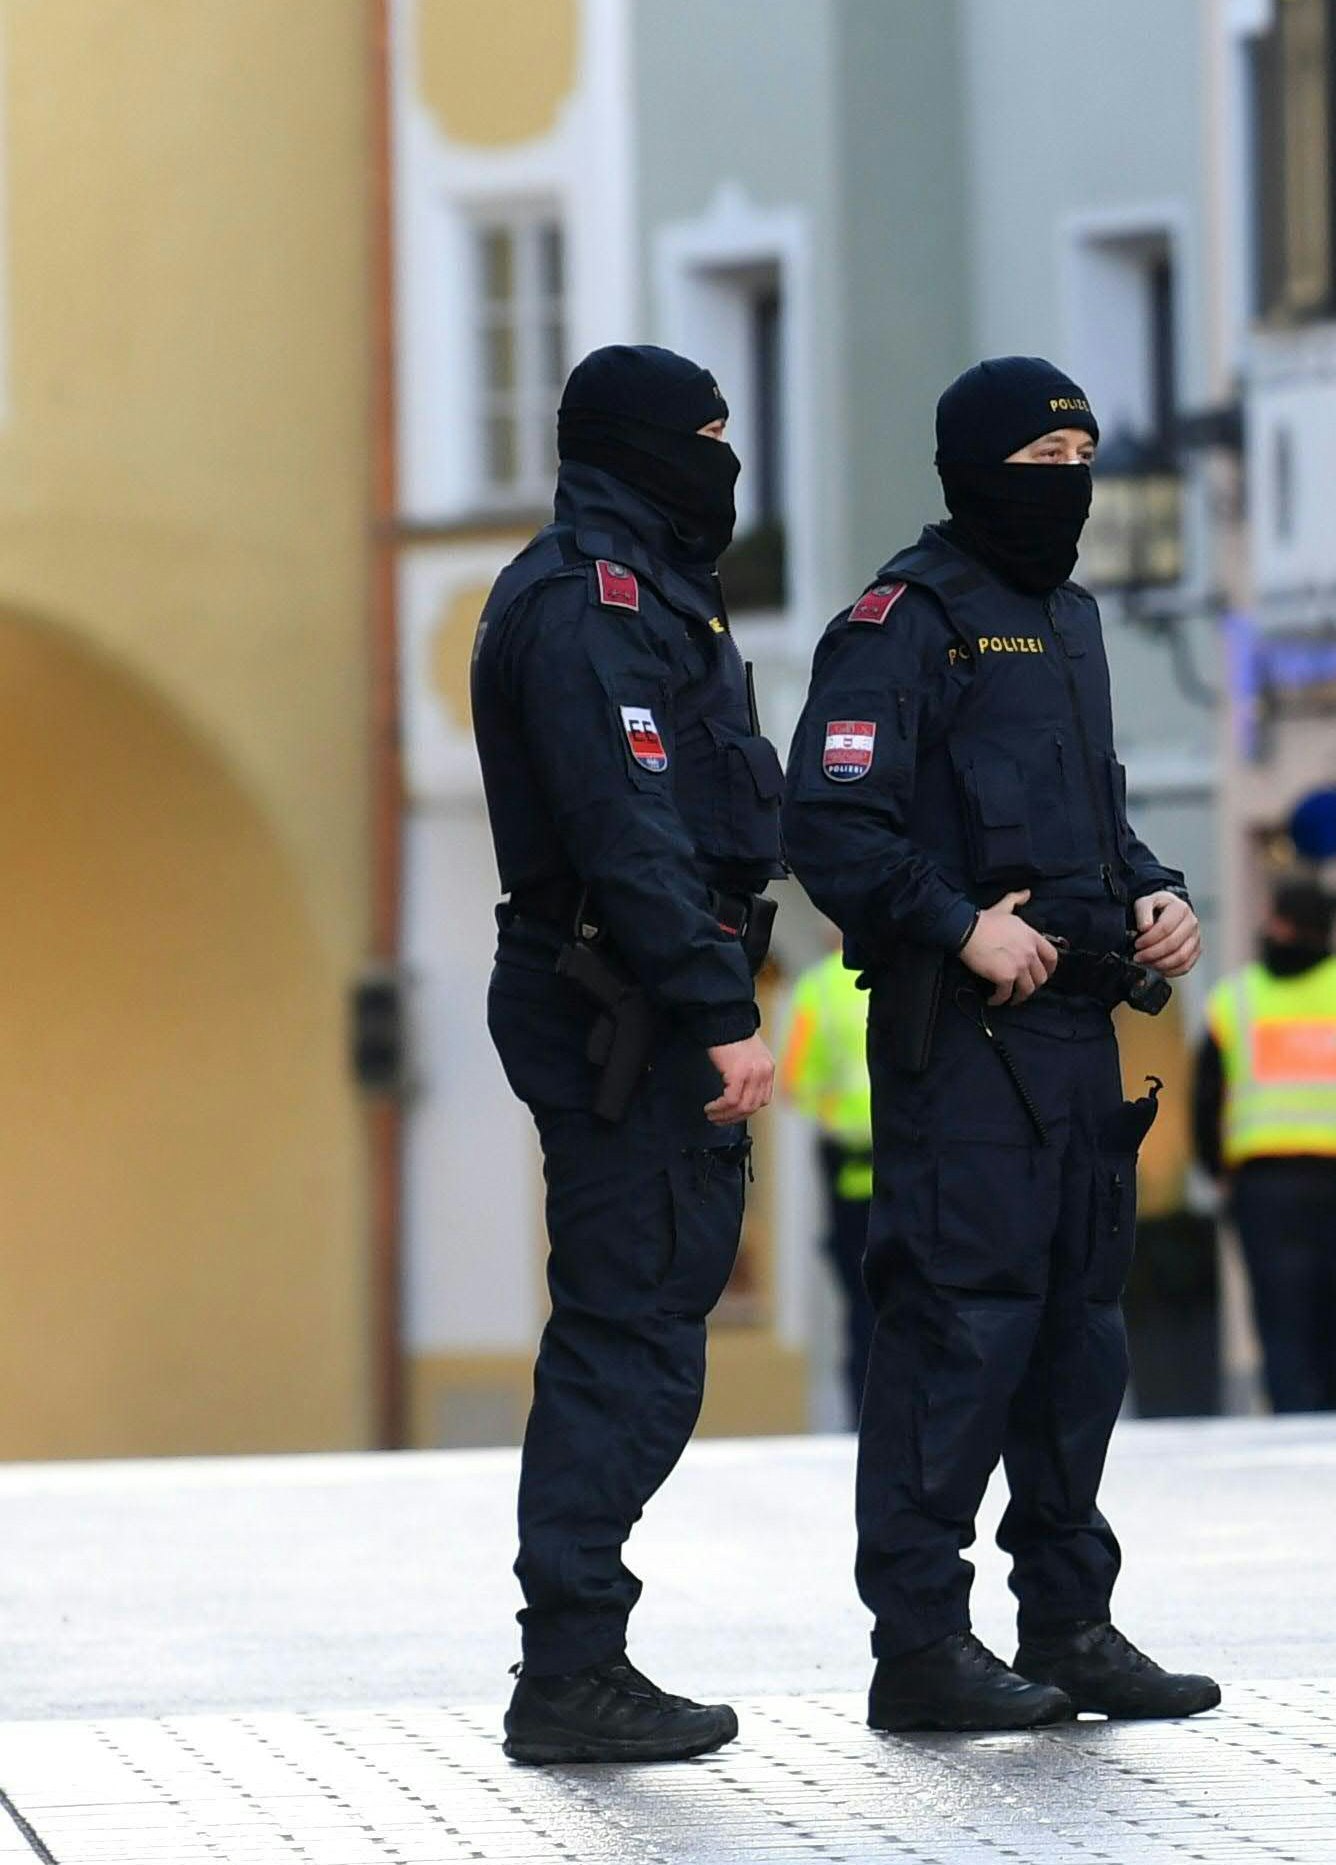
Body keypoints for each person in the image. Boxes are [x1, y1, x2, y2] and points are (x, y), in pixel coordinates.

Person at [782, 356, 1220, 1735]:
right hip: (964, 1047)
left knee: (1076, 1342)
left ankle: (1069, 1624)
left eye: (1083, 455)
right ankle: (919, 1644)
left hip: (1079, 1044)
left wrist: (1155, 889)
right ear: (973, 470)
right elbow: (832, 824)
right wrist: (956, 924)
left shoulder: (1070, 620)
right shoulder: (902, 622)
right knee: (956, 1336)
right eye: (1043, 461)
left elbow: (1088, 817)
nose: (1069, 486)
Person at [471, 343, 781, 1765]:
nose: (727, 457)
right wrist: (718, 1006)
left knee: (645, 1326)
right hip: (625, 1004)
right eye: (707, 434)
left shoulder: (652, 595)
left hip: (639, 993)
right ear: (643, 445)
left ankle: (582, 1654)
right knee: (624, 1336)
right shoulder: (588, 606)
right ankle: (572, 1668)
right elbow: (628, 826)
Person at [1191, 879, 1336, 1414]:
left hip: (1269, 1187)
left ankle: (1294, 1435)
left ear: (1281, 924)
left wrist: (1214, 1167)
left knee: (1282, 1323)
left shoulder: (1236, 1000)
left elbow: (1204, 1098)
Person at [779, 938, 876, 1417]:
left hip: (852, 1165)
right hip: (923, 1160)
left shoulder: (817, 987)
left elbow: (796, 1085)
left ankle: (865, 1414)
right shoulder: (915, 965)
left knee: (862, 1300)